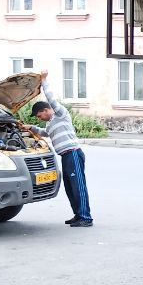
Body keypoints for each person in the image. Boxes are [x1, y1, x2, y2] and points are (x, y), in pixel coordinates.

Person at [30, 75, 93, 227]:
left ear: (46, 110)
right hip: (65, 156)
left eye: (39, 115)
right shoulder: (50, 123)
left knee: (78, 186)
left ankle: (86, 217)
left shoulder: (60, 114)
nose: (39, 118)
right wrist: (30, 128)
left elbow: (51, 99)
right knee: (70, 188)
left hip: (73, 153)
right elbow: (45, 133)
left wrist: (44, 81)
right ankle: (78, 215)